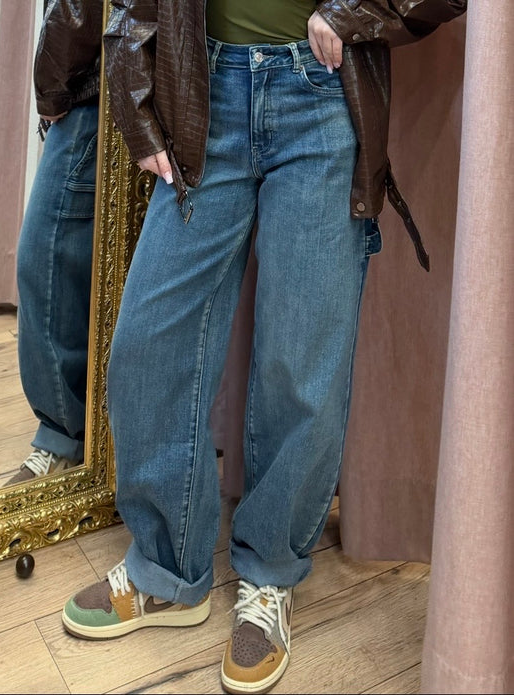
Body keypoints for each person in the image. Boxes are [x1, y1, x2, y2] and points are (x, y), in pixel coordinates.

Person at [61, 1, 467, 693]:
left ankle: (270, 573)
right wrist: (136, 100)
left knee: (301, 363)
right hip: (202, 90)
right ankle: (165, 570)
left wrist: (351, 12)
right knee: (149, 346)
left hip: (320, 95)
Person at [6, 0, 104, 485]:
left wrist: (53, 87)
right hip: (104, 78)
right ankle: (72, 434)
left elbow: (78, 9)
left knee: (46, 259)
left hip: (96, 86)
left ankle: (63, 438)